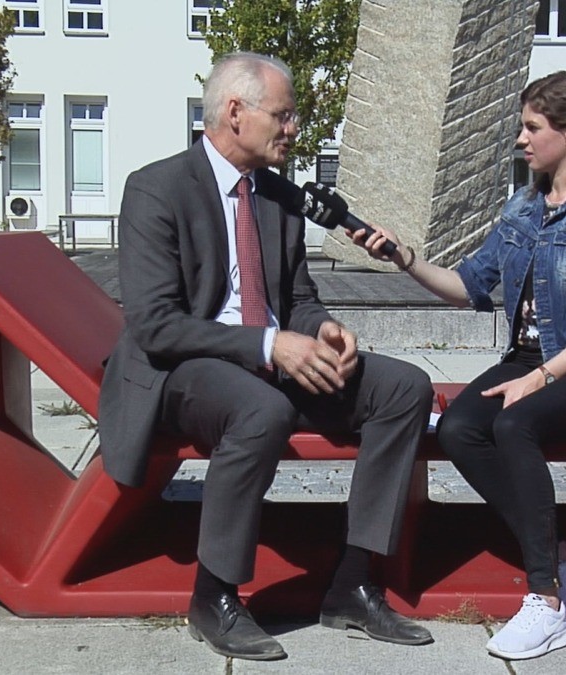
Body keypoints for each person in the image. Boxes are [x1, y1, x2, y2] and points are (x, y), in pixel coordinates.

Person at [97, 52, 434, 661]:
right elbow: (155, 325)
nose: (294, 128)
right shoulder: (157, 188)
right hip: (184, 370)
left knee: (403, 388)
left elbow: (296, 298)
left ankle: (353, 583)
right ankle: (214, 596)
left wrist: (323, 329)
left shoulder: (277, 195)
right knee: (261, 410)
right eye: (283, 115)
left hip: (270, 364)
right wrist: (268, 343)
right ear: (235, 113)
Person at [353, 71, 566, 660]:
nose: (521, 139)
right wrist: (403, 257)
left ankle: (548, 600)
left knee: (515, 423)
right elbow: (468, 285)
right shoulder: (524, 208)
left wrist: (541, 378)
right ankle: (562, 555)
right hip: (528, 360)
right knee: (460, 428)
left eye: (532, 128)